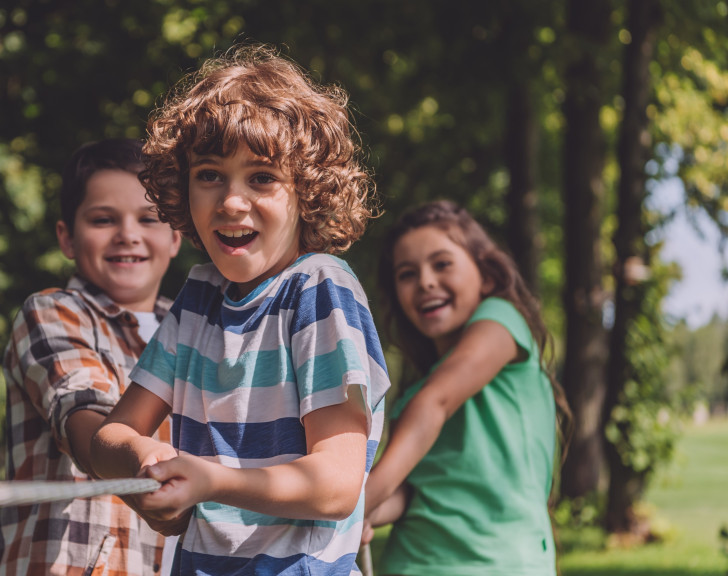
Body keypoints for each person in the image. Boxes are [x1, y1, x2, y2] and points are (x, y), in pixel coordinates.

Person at [89, 45, 391, 576]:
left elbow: (337, 486)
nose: (231, 201)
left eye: (262, 177)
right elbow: (108, 437)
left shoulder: (319, 289)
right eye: (209, 174)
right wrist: (143, 460)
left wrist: (212, 482)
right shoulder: (199, 299)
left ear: (308, 192)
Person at [0, 138, 182, 576]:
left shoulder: (197, 330)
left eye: (148, 218)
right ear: (67, 238)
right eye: (103, 219)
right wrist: (138, 458)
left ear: (175, 236)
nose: (127, 234)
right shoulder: (52, 313)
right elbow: (81, 414)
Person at [362, 200, 571, 576]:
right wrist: (366, 512)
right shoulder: (414, 397)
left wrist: (356, 504)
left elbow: (439, 400)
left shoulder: (502, 321)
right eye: (407, 274)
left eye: (442, 264)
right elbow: (409, 493)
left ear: (486, 276)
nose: (425, 281)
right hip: (411, 564)